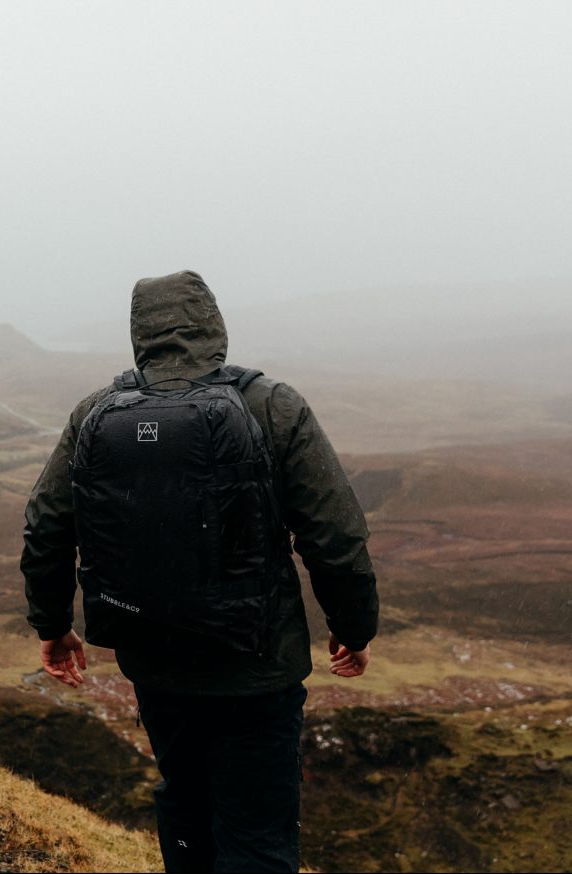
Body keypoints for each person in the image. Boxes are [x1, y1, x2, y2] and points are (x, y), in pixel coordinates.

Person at [21, 270, 378, 873]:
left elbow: (47, 525)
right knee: (257, 831)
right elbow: (335, 535)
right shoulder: (271, 405)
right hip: (257, 667)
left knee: (186, 804)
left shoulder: (97, 412)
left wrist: (52, 626)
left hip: (156, 663)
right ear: (213, 325)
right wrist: (353, 626)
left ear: (140, 332)